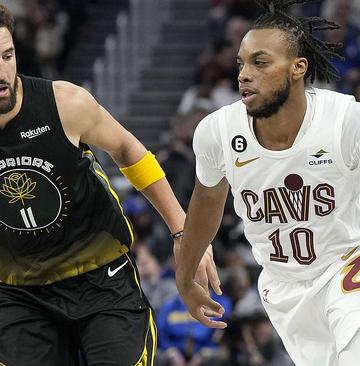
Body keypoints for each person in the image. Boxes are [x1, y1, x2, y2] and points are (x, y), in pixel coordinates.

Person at [173, 1, 360, 365]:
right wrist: (185, 276)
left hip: (356, 265)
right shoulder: (216, 133)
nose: (243, 74)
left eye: (260, 62)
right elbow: (206, 204)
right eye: (241, 63)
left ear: (298, 68)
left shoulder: (349, 120)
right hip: (286, 287)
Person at [0, 5, 215, 365]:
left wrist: (182, 231)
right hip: (18, 293)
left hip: (101, 279)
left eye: (6, 56)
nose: (2, 72)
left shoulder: (64, 103)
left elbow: (129, 149)